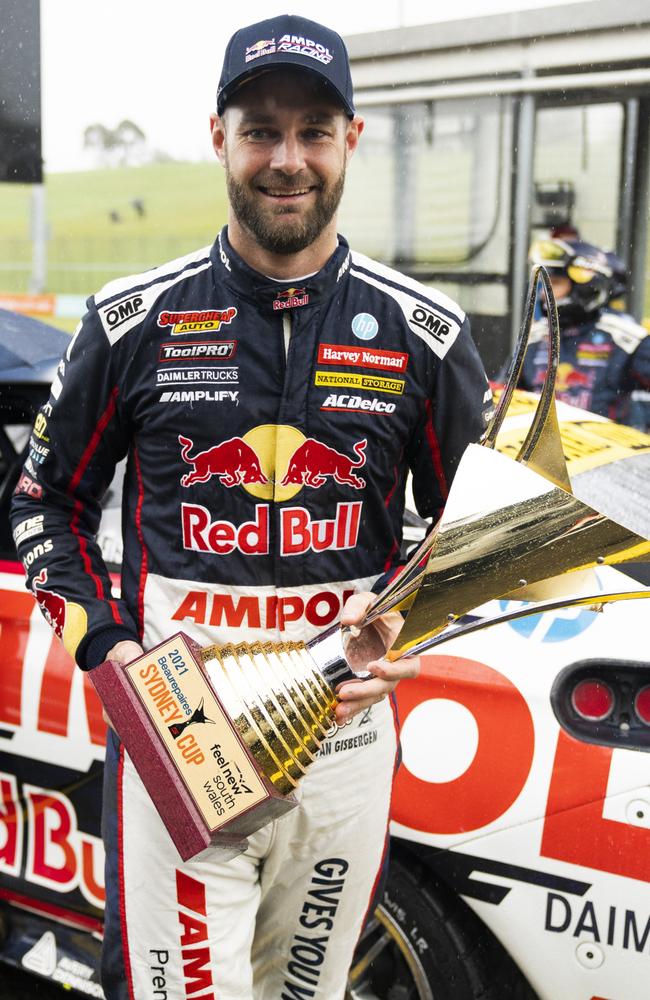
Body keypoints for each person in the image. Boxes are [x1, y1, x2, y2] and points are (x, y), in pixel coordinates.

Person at [10, 15, 491, 1000]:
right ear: (218, 135)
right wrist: (108, 650)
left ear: (349, 140)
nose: (287, 159)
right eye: (259, 129)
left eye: (313, 129)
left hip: (346, 743)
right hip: (181, 735)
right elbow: (40, 499)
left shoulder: (423, 336)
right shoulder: (132, 319)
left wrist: (408, 624)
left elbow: (470, 540)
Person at [520, 237, 650, 428]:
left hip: (608, 453)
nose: (543, 294)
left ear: (583, 287)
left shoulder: (626, 338)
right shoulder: (533, 337)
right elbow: (504, 397)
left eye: (554, 283)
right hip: (542, 452)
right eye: (542, 286)